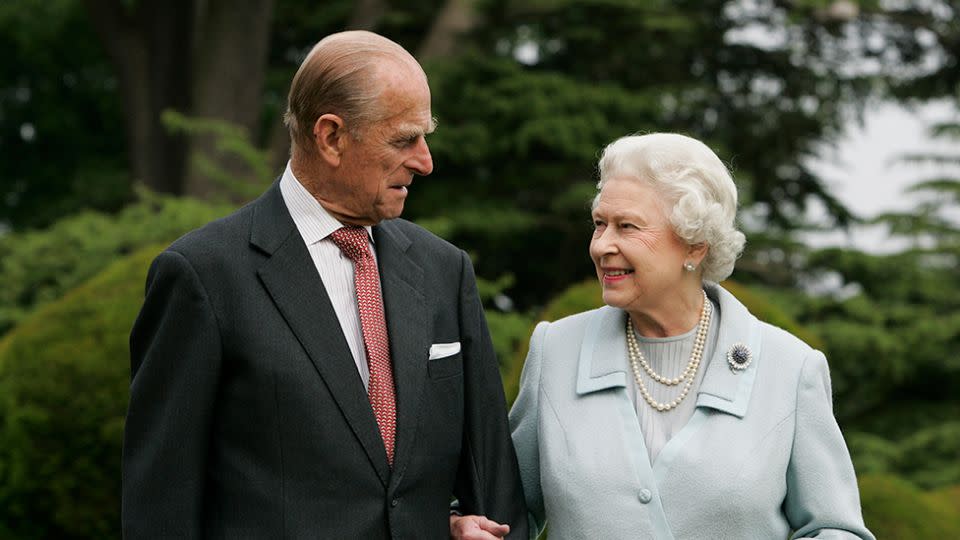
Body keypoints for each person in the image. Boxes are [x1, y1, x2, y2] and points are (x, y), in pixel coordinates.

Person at [122, 30, 527, 539]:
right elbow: (160, 508)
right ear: (331, 136)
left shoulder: (444, 270)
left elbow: (492, 485)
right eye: (404, 139)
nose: (426, 161)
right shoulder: (202, 275)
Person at [453, 133, 874, 539]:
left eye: (628, 227)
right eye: (600, 224)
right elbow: (503, 511)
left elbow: (835, 529)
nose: (602, 246)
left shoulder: (790, 368)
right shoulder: (556, 351)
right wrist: (459, 525)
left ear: (695, 246)